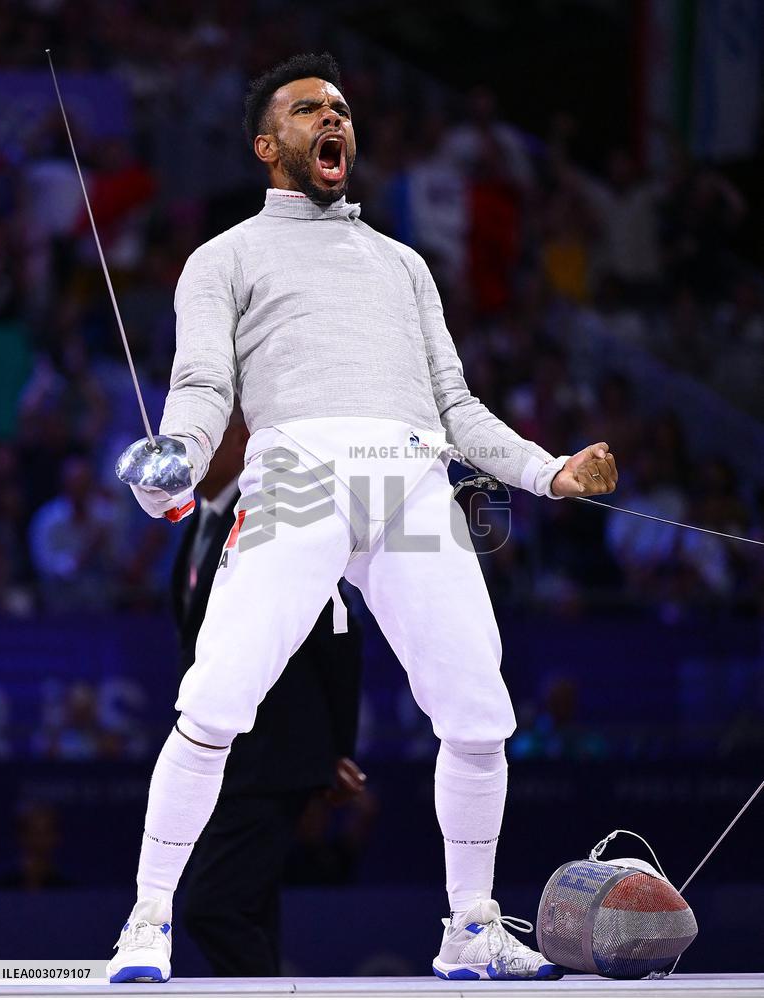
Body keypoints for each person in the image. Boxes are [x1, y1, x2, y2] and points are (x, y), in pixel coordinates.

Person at [108, 52, 618, 983]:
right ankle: (146, 922)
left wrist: (550, 472)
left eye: (338, 108)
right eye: (307, 110)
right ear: (270, 145)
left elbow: (456, 409)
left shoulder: (403, 264)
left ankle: (469, 926)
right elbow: (202, 385)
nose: (330, 118)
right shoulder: (222, 258)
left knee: (477, 713)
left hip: (412, 484)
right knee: (217, 699)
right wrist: (176, 453)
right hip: (297, 476)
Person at [172, 406, 364, 976]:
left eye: (199, 433)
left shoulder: (273, 510)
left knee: (213, 906)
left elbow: (337, 629)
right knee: (250, 907)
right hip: (225, 757)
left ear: (239, 441)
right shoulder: (202, 521)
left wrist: (336, 750)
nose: (186, 447)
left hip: (273, 755)